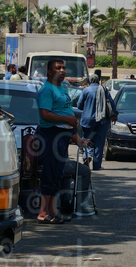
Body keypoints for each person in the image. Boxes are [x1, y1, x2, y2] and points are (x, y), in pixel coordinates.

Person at [35, 58, 90, 223]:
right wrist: (67, 119)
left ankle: (52, 211)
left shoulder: (62, 88)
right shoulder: (47, 90)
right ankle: (43, 213)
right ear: (49, 71)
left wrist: (79, 140)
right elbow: (45, 114)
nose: (62, 70)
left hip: (63, 136)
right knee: (50, 174)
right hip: (51, 135)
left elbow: (68, 118)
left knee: (58, 174)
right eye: (58, 68)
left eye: (63, 68)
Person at [76, 74, 118, 170]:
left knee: (86, 139)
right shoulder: (104, 90)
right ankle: (97, 165)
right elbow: (112, 104)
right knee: (99, 142)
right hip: (102, 120)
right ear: (98, 80)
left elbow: (79, 105)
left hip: (87, 120)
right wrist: (115, 116)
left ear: (89, 81)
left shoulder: (85, 90)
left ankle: (87, 155)